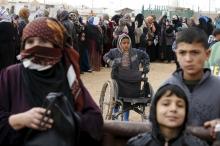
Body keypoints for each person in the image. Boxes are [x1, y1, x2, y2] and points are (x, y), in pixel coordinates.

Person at [0, 17, 103, 146]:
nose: (36, 46)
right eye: (30, 42)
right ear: (23, 45)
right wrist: (19, 120)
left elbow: (95, 119)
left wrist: (67, 120)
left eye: (43, 41)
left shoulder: (68, 76)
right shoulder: (11, 75)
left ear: (56, 45)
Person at [161, 27, 220, 139]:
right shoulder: (165, 89)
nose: (188, 59)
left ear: (207, 54)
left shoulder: (218, 88)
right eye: (182, 53)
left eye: (195, 52)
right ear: (176, 54)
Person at [127, 84, 209, 146]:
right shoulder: (137, 144)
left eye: (180, 105)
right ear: (154, 109)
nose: (173, 109)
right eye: (166, 104)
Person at [103, 33, 150, 121]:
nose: (126, 45)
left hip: (133, 79)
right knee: (116, 99)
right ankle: (115, 113)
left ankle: (126, 120)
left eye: (128, 43)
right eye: (124, 43)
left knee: (128, 102)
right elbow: (105, 56)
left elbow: (145, 56)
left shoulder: (135, 52)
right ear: (120, 43)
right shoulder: (114, 52)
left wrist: (146, 65)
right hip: (118, 79)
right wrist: (110, 62)